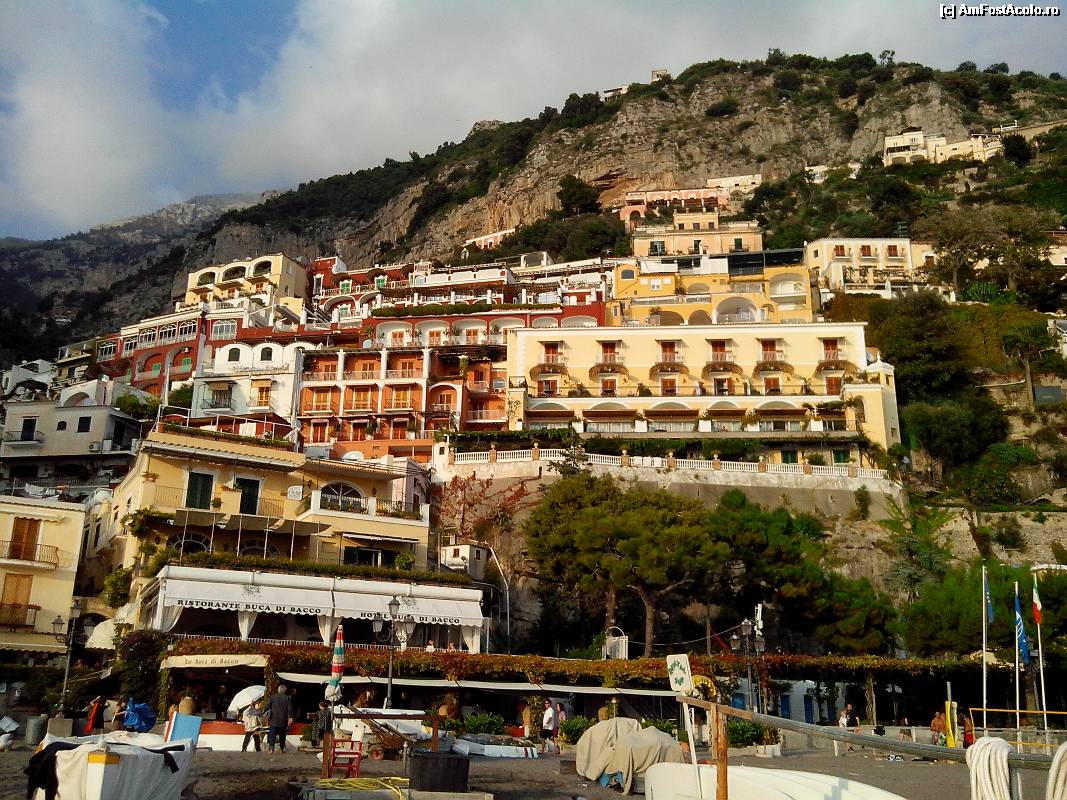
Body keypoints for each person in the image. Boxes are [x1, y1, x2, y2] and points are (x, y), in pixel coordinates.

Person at [266, 684, 294, 754]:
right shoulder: (287, 698)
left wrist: (264, 712)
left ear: (278, 690)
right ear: (285, 691)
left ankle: (271, 748)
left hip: (274, 719)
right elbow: (290, 708)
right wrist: (290, 717)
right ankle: (282, 748)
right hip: (283, 720)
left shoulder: (273, 697)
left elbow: (267, 705)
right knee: (282, 735)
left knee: (272, 734)